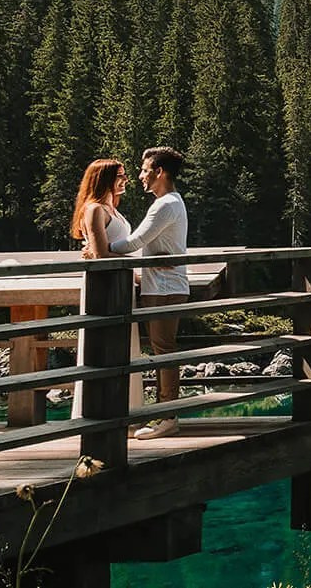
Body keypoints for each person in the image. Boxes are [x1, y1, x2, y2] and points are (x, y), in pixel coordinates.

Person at [106, 146, 190, 440]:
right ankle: (164, 414)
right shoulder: (170, 203)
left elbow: (133, 243)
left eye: (144, 170)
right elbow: (150, 247)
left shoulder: (165, 205)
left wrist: (100, 248)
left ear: (159, 172)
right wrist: (149, 264)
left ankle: (168, 417)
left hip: (165, 288)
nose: (141, 176)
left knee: (164, 350)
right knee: (161, 349)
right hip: (163, 285)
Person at [69, 159, 145, 417]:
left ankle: (128, 412)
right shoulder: (94, 209)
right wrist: (138, 264)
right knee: (103, 348)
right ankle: (97, 413)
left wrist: (137, 277)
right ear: (103, 179)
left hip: (121, 285)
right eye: (119, 176)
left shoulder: (113, 210)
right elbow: (101, 255)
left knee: (125, 347)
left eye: (124, 175)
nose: (125, 180)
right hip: (103, 287)